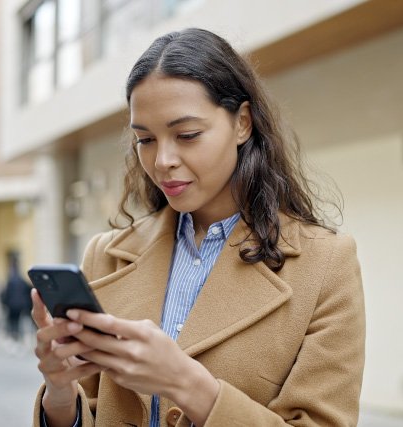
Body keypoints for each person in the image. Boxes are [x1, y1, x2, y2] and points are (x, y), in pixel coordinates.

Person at [31, 28, 365, 427]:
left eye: (186, 135)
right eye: (146, 140)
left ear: (242, 122)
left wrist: (188, 384)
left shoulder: (326, 264)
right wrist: (60, 392)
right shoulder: (106, 255)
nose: (162, 161)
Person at [1, 250, 32, 343]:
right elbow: (27, 291)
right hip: (20, 305)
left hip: (12, 305)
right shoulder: (21, 280)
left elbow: (6, 293)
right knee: (19, 322)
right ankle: (18, 338)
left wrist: (5, 303)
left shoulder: (11, 280)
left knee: (14, 323)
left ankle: (15, 338)